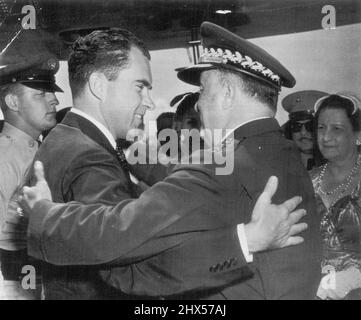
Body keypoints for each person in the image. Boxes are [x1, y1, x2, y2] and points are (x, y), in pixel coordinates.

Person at [24, 26, 308, 300]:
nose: (196, 105)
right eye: (140, 87)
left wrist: (42, 214)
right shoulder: (280, 150)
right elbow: (128, 254)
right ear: (98, 85)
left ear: (229, 95)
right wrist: (246, 241)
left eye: (203, 92)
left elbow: (122, 239)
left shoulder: (67, 139)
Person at [0, 30, 63, 299]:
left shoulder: (37, 149)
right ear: (13, 102)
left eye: (52, 92)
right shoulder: (6, 157)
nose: (55, 100)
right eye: (41, 93)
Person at [311, 93, 361, 300]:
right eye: (321, 128)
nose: (325, 137)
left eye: (337, 129)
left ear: (358, 135)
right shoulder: (306, 180)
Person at [282, 90, 328, 170]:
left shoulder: (336, 165)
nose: (303, 132)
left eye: (310, 126)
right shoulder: (280, 164)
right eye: (297, 126)